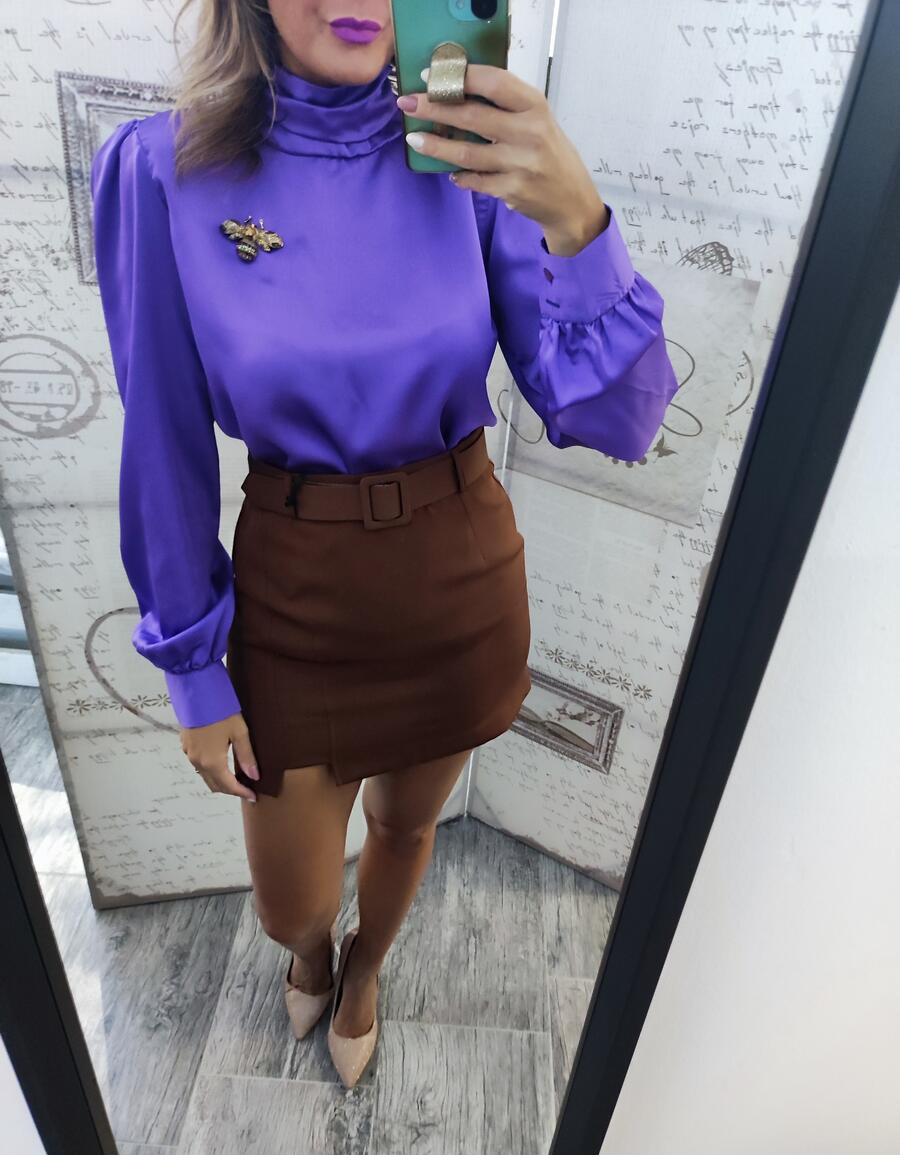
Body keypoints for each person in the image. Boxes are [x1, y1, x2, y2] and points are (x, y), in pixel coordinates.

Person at [90, 0, 678, 1089]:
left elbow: (618, 419)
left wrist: (577, 219)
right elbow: (160, 434)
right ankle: (316, 950)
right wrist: (192, 669)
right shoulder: (163, 169)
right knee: (290, 902)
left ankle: (365, 972)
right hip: (294, 586)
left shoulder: (472, 156)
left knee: (407, 827)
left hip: (457, 576)